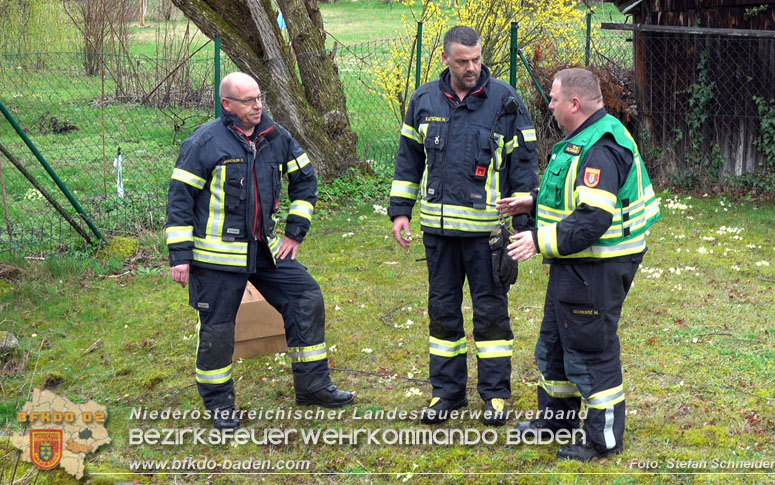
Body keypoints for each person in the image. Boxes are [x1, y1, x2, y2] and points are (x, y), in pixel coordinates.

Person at [166, 72, 353, 430]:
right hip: (216, 259)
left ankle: (313, 385)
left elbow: (306, 179)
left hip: (264, 252)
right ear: (227, 105)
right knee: (218, 330)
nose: (257, 106)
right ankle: (220, 405)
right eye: (249, 100)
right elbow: (179, 201)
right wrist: (180, 255)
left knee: (306, 297)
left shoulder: (275, 136)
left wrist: (295, 233)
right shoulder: (203, 143)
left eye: (259, 98)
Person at [497, 68, 660, 460]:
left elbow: (593, 218)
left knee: (590, 349)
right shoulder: (580, 139)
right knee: (554, 342)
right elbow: (573, 193)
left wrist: (539, 240)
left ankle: (602, 439)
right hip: (575, 262)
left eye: (553, 99)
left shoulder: (601, 147)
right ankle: (557, 419)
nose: (548, 105)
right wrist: (533, 202)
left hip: (598, 266)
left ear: (574, 103)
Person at [389, 26, 538, 426]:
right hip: (438, 235)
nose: (472, 68)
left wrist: (524, 224)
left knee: (491, 314)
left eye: (476, 59)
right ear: (445, 59)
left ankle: (495, 396)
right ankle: (447, 394)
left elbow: (524, 167)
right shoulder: (423, 100)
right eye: (462, 61)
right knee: (442, 313)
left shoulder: (506, 101)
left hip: (486, 235)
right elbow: (408, 161)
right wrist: (400, 210)